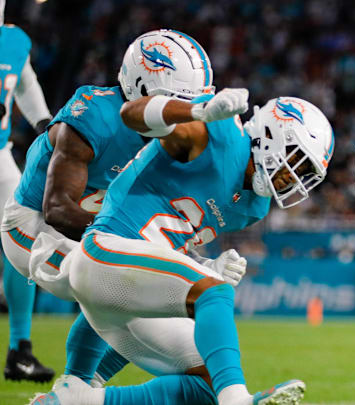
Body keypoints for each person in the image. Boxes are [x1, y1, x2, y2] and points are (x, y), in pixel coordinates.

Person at [28, 87, 334, 405]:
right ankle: (237, 400)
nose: (294, 178)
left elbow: (167, 241)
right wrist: (197, 112)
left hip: (126, 283)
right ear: (272, 134)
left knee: (206, 384)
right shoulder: (220, 134)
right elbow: (131, 113)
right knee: (213, 292)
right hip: (105, 249)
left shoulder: (253, 206)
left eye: (304, 173)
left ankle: (75, 398)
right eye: (296, 162)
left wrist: (202, 264)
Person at [1, 28, 218, 388]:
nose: (184, 115)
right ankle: (81, 385)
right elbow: (58, 209)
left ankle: (82, 386)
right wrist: (134, 247)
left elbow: (152, 218)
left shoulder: (167, 140)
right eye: (178, 101)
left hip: (92, 234)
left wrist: (193, 258)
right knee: (123, 284)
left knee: (178, 296)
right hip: (34, 230)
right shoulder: (95, 117)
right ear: (146, 89)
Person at [0, 0, 55, 382]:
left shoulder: (14, 40)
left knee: (24, 236)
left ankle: (20, 349)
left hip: (0, 154)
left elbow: (25, 82)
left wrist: (46, 125)